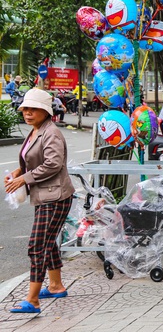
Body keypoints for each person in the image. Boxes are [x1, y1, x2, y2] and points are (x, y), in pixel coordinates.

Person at [4, 88, 75, 314]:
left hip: (55, 196)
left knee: (37, 246)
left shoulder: (51, 132)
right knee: (48, 242)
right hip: (45, 195)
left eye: (34, 109)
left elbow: (53, 164)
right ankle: (55, 286)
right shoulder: (36, 131)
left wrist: (24, 178)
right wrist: (19, 171)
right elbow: (36, 159)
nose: (28, 113)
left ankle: (32, 300)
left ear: (45, 111)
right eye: (26, 108)